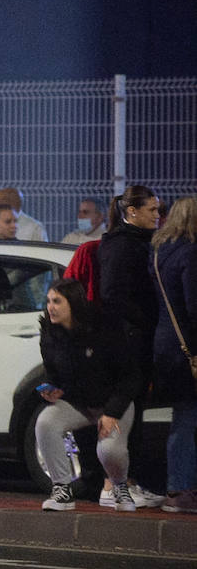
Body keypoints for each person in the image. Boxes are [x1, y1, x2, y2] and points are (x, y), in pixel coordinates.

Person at [36, 279, 143, 511]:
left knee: (108, 450)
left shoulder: (103, 328)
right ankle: (62, 490)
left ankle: (119, 486)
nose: (50, 307)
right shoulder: (49, 332)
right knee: (45, 422)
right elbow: (53, 373)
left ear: (73, 303)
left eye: (57, 302)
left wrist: (112, 413)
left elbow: (131, 377)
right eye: (48, 302)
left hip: (113, 402)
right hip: (79, 403)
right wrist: (52, 389)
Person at [98, 184, 166, 507]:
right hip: (127, 343)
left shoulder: (138, 243)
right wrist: (144, 322)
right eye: (152, 210)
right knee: (123, 416)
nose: (158, 215)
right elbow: (113, 295)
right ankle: (114, 486)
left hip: (135, 339)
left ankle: (127, 483)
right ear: (132, 212)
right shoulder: (122, 247)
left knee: (134, 417)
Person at [150, 196, 197, 514]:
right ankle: (180, 489)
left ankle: (179, 487)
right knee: (187, 419)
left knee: (183, 417)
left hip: (165, 343)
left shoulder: (158, 252)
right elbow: (194, 306)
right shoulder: (191, 253)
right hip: (188, 348)